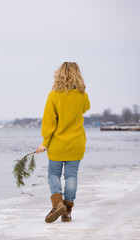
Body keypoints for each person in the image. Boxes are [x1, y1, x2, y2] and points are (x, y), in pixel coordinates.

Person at [36, 62, 90, 223]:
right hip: (76, 144)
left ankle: (58, 204)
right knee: (71, 176)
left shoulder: (53, 95)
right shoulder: (82, 95)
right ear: (78, 75)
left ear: (59, 75)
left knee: (53, 174)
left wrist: (45, 142)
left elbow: (49, 122)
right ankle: (67, 211)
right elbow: (86, 108)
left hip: (57, 144)